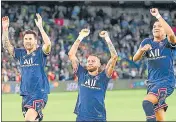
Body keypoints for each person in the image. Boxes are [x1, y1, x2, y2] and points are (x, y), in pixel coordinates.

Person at [2, 13, 51, 121]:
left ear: (35, 41)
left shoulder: (40, 53)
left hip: (39, 93)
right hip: (25, 94)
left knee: (28, 120)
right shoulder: (21, 53)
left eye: (30, 39)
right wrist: (5, 29)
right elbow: (6, 46)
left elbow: (48, 44)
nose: (28, 41)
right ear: (23, 41)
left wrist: (40, 28)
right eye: (26, 39)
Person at [133, 8, 176, 121]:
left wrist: (158, 16)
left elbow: (171, 34)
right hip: (152, 84)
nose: (156, 27)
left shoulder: (167, 42)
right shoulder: (147, 42)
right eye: (154, 27)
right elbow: (135, 58)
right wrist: (142, 50)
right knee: (159, 119)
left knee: (147, 103)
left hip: (166, 82)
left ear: (164, 30)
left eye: (159, 26)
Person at [68, 29, 118, 121]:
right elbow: (71, 54)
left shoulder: (104, 77)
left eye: (93, 61)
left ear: (99, 65)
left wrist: (107, 38)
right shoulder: (81, 73)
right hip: (81, 118)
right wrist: (80, 36)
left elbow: (114, 57)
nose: (90, 63)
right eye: (88, 61)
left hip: (98, 118)